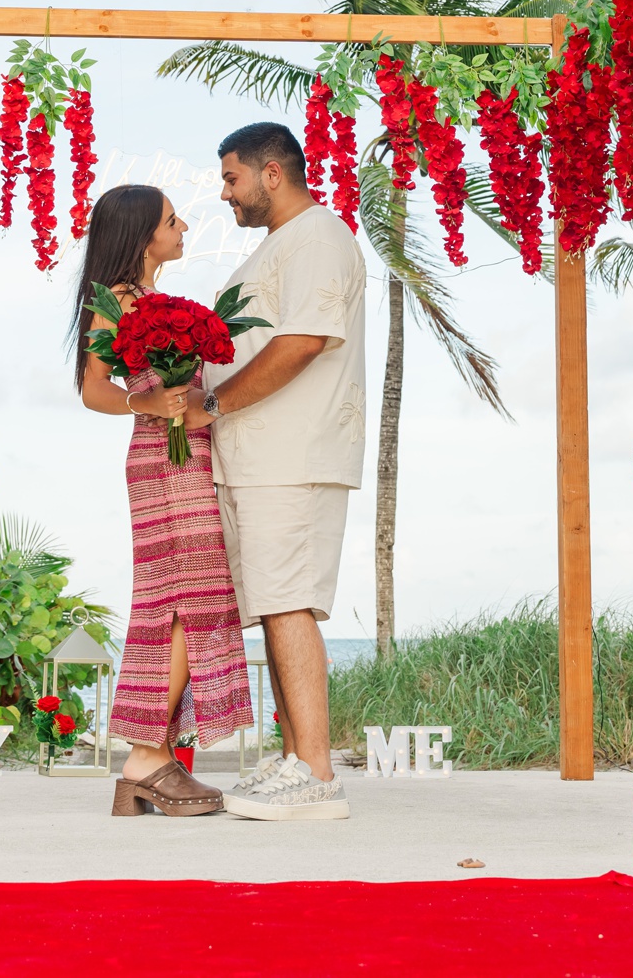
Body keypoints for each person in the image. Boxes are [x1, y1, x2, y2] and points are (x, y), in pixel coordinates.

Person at [198, 121, 368, 820]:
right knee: (273, 600)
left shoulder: (320, 237)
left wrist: (215, 403)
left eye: (232, 178)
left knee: (289, 597)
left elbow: (304, 339)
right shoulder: (280, 247)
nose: (225, 193)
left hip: (293, 455)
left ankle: (318, 773)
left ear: (273, 173)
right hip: (257, 458)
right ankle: (298, 759)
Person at [71, 183, 253, 817]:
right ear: (142, 233)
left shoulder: (155, 301)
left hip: (188, 455)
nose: (183, 228)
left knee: (187, 597)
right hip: (160, 459)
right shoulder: (119, 301)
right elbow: (92, 388)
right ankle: (147, 760)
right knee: (181, 598)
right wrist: (146, 401)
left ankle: (156, 757)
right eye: (172, 221)